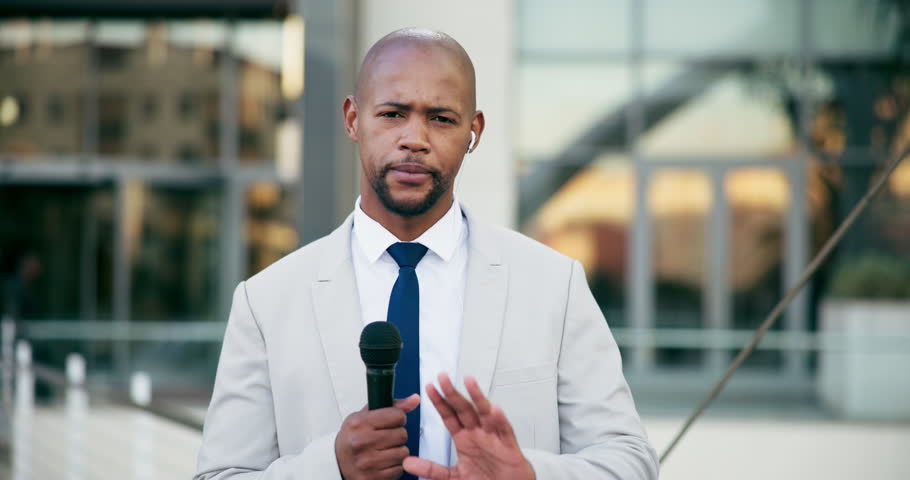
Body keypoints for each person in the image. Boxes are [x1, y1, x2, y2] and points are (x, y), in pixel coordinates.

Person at [195, 28, 658, 480]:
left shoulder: (554, 286)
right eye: (394, 114)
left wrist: (530, 475)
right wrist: (330, 467)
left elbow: (631, 462)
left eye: (440, 118)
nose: (415, 138)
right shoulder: (266, 302)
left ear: (474, 131)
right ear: (353, 120)